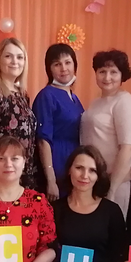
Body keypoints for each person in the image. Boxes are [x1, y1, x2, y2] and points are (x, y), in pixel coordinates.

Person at [80, 49, 131, 216]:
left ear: (122, 75)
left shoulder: (125, 102)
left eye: (113, 72)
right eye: (102, 71)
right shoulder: (96, 102)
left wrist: (112, 187)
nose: (107, 77)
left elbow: (129, 148)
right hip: (92, 177)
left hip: (114, 182)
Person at [0, 38, 40, 191]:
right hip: (0, 176)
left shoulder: (22, 94)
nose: (14, 61)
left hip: (24, 174)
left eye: (20, 57)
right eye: (8, 56)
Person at [32, 44, 85, 202]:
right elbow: (43, 140)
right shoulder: (46, 95)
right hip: (56, 162)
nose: (63, 68)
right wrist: (51, 179)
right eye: (57, 64)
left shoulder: (74, 98)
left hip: (73, 162)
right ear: (49, 69)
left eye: (67, 62)